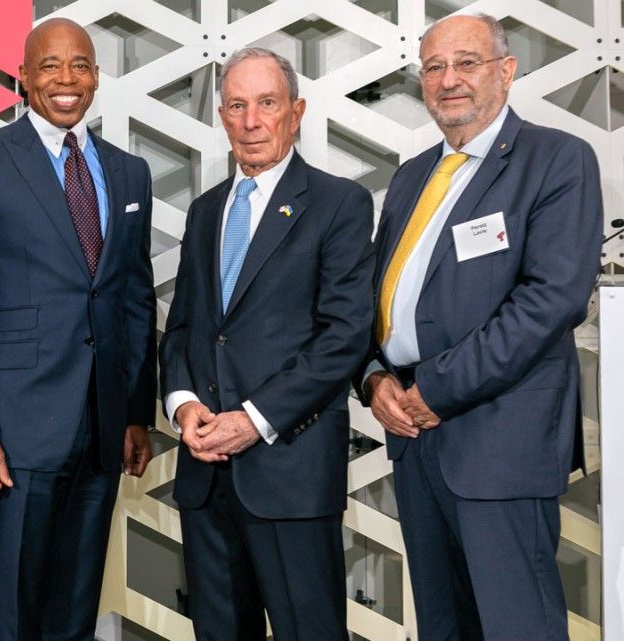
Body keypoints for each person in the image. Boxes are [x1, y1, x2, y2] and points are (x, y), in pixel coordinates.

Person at [360, 14, 602, 641]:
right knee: (444, 627)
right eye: (434, 67)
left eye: (466, 63)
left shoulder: (555, 159)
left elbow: (550, 301)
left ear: (506, 70)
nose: (448, 81)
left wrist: (434, 391)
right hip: (414, 437)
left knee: (517, 625)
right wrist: (372, 379)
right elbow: (378, 300)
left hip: (499, 438)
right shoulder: (413, 175)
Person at [0, 17, 156, 641]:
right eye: (51, 66)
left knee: (75, 609)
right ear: (23, 78)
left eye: (80, 65)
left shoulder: (128, 171)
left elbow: (135, 299)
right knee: (15, 611)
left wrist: (136, 413)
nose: (66, 79)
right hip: (16, 429)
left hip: (104, 427)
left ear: (96, 78)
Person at [159, 48, 374, 641]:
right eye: (236, 105)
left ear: (296, 111)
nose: (251, 120)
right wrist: (183, 406)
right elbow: (184, 329)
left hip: (290, 469)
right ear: (223, 118)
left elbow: (345, 336)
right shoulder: (205, 212)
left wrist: (254, 419)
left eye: (267, 104)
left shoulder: (339, 205)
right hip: (206, 471)